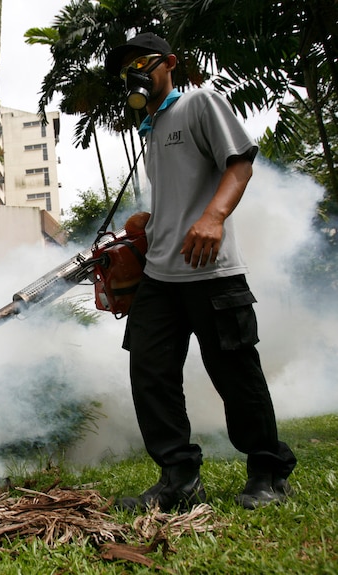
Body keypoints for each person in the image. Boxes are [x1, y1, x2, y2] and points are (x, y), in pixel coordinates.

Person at [103, 32, 297, 511]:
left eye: (142, 63)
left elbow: (239, 165)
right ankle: (180, 479)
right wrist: (150, 221)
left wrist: (213, 218)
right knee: (150, 372)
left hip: (212, 271)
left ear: (169, 63)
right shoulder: (149, 128)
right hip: (161, 274)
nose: (134, 74)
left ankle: (268, 470)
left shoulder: (198, 104)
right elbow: (180, 193)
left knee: (235, 374)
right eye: (125, 69)